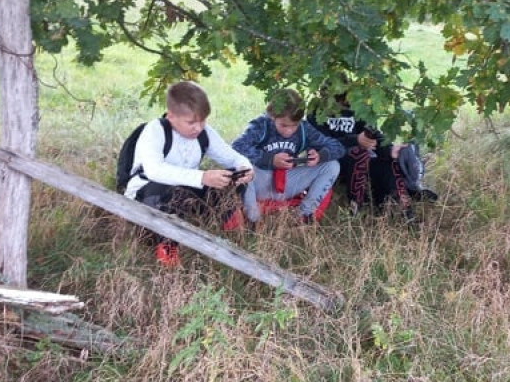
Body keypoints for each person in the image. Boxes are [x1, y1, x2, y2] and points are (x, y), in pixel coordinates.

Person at [124, 81, 254, 267]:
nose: (198, 128)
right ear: (171, 117)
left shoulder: (203, 133)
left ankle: (232, 232)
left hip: (185, 189)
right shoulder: (155, 130)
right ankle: (166, 249)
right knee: (169, 191)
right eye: (191, 122)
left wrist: (244, 167)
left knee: (230, 178)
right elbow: (155, 171)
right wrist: (202, 177)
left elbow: (231, 156)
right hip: (146, 193)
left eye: (202, 121)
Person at [308, 88, 437, 222]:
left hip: (364, 161)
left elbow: (375, 136)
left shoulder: (358, 110)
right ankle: (356, 209)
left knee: (389, 161)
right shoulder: (316, 114)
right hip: (335, 163)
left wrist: (389, 150)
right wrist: (355, 140)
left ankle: (400, 204)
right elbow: (321, 145)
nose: (343, 102)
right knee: (359, 153)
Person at [232, 88, 346, 225]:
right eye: (284, 125)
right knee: (241, 168)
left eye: (294, 126)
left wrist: (320, 156)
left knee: (332, 165)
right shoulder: (261, 125)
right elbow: (236, 147)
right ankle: (253, 219)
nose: (289, 130)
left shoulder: (304, 129)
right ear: (272, 116)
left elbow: (338, 147)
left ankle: (305, 215)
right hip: (259, 181)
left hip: (287, 181)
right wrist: (270, 160)